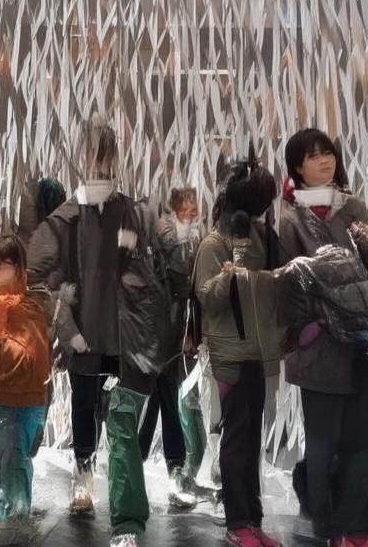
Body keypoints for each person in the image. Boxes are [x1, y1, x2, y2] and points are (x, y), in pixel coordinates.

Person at [27, 116, 167, 547]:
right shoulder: (65, 219)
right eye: (94, 154)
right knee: (84, 404)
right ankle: (84, 475)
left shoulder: (133, 212)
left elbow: (158, 271)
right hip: (84, 332)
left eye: (107, 154)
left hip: (125, 335)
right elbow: (40, 279)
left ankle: (123, 503)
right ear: (80, 157)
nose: (101, 164)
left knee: (121, 417)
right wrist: (65, 323)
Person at [280, 128, 368, 547]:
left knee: (366, 437)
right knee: (323, 443)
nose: (325, 161)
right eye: (314, 156)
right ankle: (327, 527)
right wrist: (312, 329)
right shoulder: (290, 220)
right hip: (319, 347)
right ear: (297, 167)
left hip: (361, 343)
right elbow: (287, 285)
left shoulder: (352, 207)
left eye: (328, 154)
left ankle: (356, 526)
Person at [192, 154, 284, 547]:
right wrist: (237, 266)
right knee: (236, 439)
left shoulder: (265, 238)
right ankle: (237, 523)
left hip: (260, 353)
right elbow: (209, 299)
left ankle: (253, 520)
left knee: (252, 441)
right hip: (230, 355)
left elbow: (278, 285)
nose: (263, 210)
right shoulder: (214, 244)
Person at [0, 234, 52, 542]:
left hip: (25, 399)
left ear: (18, 268)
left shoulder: (29, 306)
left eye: (1, 266)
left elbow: (29, 357)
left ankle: (14, 524)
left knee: (15, 463)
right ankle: (8, 523)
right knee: (5, 464)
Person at [139, 186, 204, 509]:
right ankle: (170, 471)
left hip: (171, 334)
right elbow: (181, 283)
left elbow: (190, 290)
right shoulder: (168, 237)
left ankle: (168, 470)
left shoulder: (187, 238)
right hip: (157, 335)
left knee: (162, 401)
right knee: (159, 401)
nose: (191, 214)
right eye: (186, 208)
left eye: (194, 209)